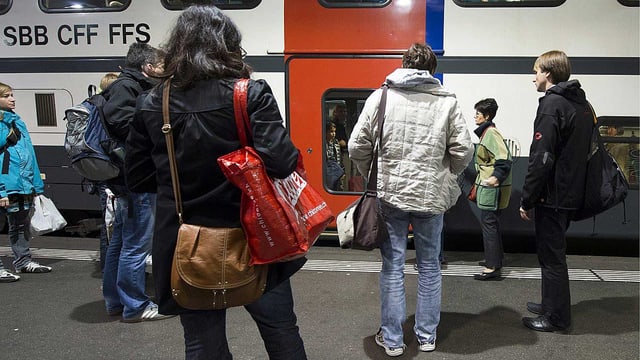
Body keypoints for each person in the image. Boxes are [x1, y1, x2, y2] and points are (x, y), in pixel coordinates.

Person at [125, 5, 307, 359]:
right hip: (257, 239)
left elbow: (139, 176)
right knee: (281, 332)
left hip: (186, 242)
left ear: (177, 47)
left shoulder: (152, 102)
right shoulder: (249, 94)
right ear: (229, 46)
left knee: (203, 344)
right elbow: (284, 163)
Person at [349, 43, 473, 356]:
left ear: (404, 65)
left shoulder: (382, 97)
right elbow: (464, 151)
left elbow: (356, 146)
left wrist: (372, 175)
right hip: (431, 199)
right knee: (430, 267)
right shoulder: (447, 102)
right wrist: (446, 176)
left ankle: (392, 341)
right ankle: (427, 336)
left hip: (391, 197)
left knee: (392, 268)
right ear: (431, 70)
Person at [519, 50, 592, 332]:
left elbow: (542, 156)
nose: (533, 77)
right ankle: (550, 303)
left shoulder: (552, 105)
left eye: (536, 71)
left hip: (552, 196)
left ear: (548, 73)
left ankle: (556, 317)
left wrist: (528, 198)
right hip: (570, 192)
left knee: (551, 258)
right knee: (554, 254)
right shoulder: (579, 103)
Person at [101, 43, 172, 322]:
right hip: (137, 179)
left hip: (126, 178)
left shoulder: (127, 86)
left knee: (120, 242)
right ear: (148, 67)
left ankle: (115, 302)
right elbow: (123, 123)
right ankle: (135, 306)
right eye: (162, 65)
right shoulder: (128, 88)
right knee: (135, 245)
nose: (165, 70)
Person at [0, 82, 51, 281]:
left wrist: (36, 183)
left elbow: (29, 153)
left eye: (12, 95)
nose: (12, 99)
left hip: (22, 183)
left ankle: (23, 261)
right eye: (6, 96)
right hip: (5, 184)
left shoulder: (17, 121)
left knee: (19, 224)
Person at [471, 98, 512, 281]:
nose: (475, 117)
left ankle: (492, 266)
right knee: (492, 224)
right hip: (489, 186)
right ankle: (495, 259)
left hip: (492, 188)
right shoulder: (487, 132)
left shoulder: (491, 133)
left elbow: (503, 158)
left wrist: (495, 177)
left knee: (489, 224)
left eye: (478, 114)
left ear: (487, 116)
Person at [326, 121, 345, 190]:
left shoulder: (335, 143)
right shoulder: (322, 142)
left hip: (335, 165)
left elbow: (339, 157)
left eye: (334, 132)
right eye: (331, 132)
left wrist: (342, 170)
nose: (333, 134)